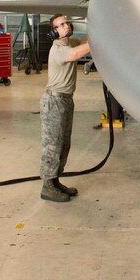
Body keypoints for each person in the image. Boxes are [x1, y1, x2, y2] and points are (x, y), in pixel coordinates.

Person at [40, 14, 92, 202]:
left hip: (66, 100)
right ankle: (47, 186)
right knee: (53, 145)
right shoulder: (58, 49)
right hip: (54, 101)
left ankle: (55, 181)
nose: (66, 25)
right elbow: (76, 54)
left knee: (63, 144)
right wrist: (96, 42)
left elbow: (85, 41)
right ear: (54, 32)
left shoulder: (70, 42)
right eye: (61, 25)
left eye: (66, 22)